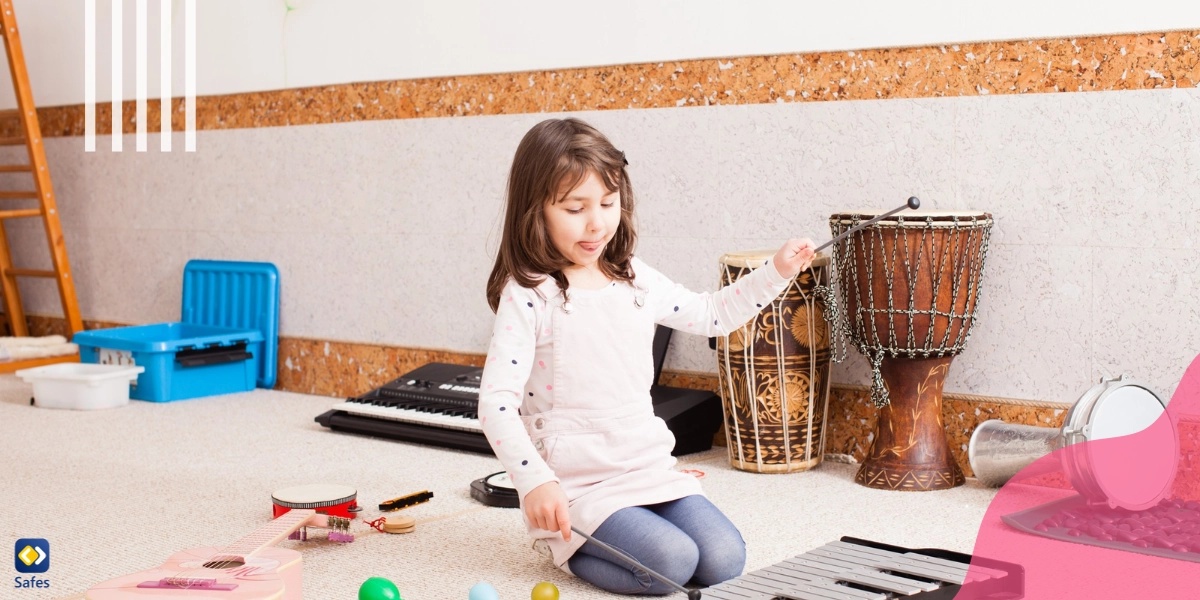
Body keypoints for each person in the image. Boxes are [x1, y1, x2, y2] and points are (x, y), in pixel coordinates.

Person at [479, 117, 815, 594]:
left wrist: (776, 272)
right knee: (671, 563)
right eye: (576, 208)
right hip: (576, 484)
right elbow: (495, 403)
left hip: (643, 466)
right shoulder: (529, 295)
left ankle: (615, 537)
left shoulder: (634, 277)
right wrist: (534, 482)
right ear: (536, 212)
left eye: (608, 203)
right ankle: (562, 547)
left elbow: (712, 314)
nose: (597, 222)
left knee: (724, 560)